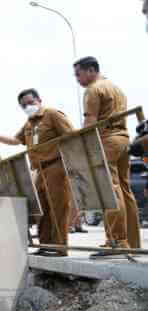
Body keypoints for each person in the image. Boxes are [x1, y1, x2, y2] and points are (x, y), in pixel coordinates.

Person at [0, 88, 74, 257]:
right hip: (39, 170)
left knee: (58, 207)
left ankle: (60, 247)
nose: (27, 107)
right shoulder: (29, 123)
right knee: (43, 210)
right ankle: (46, 245)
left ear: (39, 99)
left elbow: (71, 135)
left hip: (56, 166)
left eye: (30, 102)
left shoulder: (53, 114)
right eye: (23, 105)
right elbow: (15, 140)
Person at [74, 56, 141, 255]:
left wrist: (81, 147)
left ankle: (116, 241)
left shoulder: (93, 89)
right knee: (124, 188)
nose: (77, 79)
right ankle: (131, 241)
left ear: (91, 70)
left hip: (106, 139)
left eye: (78, 74)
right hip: (123, 138)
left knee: (110, 188)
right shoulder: (115, 87)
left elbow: (90, 123)